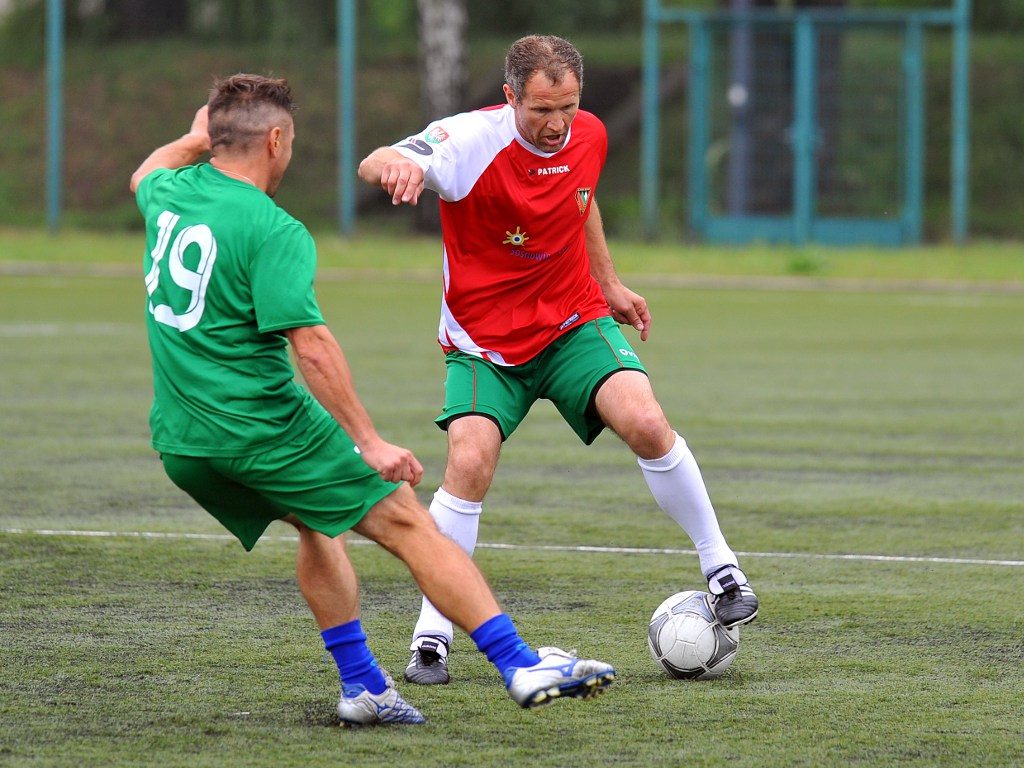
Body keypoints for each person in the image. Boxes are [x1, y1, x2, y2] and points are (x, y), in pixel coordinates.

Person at [130, 73, 615, 726]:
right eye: (291, 141)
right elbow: (313, 348)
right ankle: (521, 663)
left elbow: (146, 171)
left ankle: (363, 685)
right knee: (408, 523)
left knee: (313, 523)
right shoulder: (272, 228)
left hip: (182, 441)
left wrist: (195, 139)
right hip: (264, 429)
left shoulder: (169, 194)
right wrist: (370, 440)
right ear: (275, 140)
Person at [358, 35, 759, 687]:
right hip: (485, 343)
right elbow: (378, 160)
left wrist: (608, 282)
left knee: (646, 420)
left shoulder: (587, 135)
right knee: (468, 461)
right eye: (542, 110)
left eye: (568, 107)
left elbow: (583, 198)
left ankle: (723, 570)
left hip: (571, 321)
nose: (556, 125)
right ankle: (430, 636)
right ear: (510, 96)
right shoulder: (466, 144)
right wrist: (397, 169)